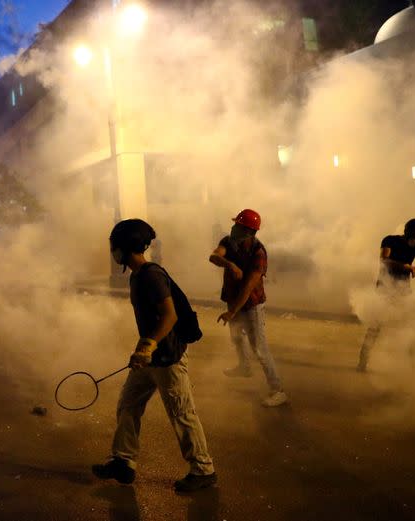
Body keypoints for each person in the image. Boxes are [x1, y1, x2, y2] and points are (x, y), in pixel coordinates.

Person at [92, 219, 216, 493]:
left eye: (115, 246)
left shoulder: (150, 275)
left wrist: (147, 346)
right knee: (128, 405)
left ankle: (203, 469)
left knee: (182, 415)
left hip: (167, 357)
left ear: (125, 248)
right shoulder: (137, 275)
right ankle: (123, 461)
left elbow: (170, 315)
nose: (112, 251)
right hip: (149, 358)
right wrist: (143, 350)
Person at [209, 209, 288, 407]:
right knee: (236, 337)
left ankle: (278, 390)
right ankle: (244, 367)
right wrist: (230, 265)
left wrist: (231, 312)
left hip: (251, 305)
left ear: (248, 231)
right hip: (232, 300)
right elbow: (214, 257)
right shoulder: (228, 241)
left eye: (237, 225)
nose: (233, 227)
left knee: (259, 349)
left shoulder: (258, 253)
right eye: (234, 224)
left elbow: (248, 288)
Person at [357, 218, 415, 372]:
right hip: (384, 289)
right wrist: (408, 267)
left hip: (403, 291)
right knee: (375, 327)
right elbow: (384, 261)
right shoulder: (390, 240)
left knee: (411, 326)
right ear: (408, 233)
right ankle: (362, 363)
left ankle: (414, 368)